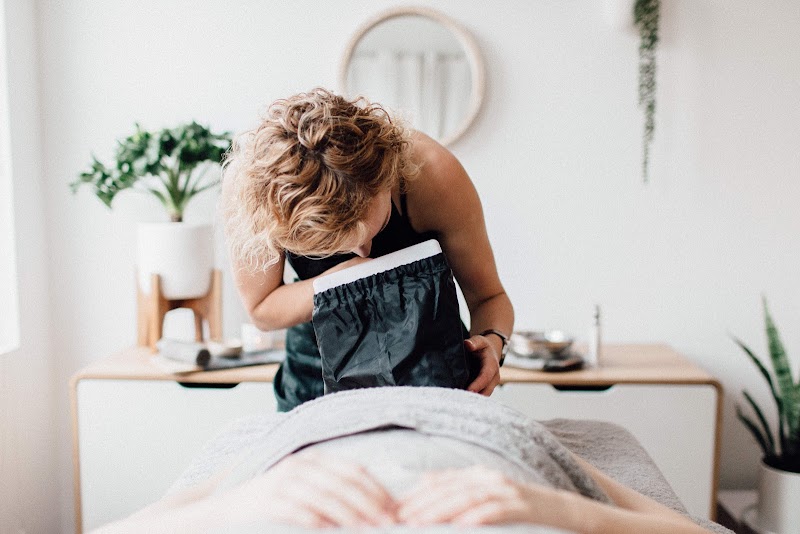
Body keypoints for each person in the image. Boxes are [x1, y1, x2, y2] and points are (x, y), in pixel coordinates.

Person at [221, 88, 514, 411]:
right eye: (330, 246)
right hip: (315, 373)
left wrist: (492, 341)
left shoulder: (433, 172)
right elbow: (261, 309)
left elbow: (489, 298)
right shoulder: (253, 191)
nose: (364, 252)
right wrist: (346, 277)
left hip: (430, 367)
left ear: (388, 176)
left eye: (376, 226)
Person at [92, 387, 717, 533]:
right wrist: (558, 505)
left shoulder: (264, 480)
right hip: (488, 434)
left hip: (312, 432)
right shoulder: (523, 467)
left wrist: (236, 502)